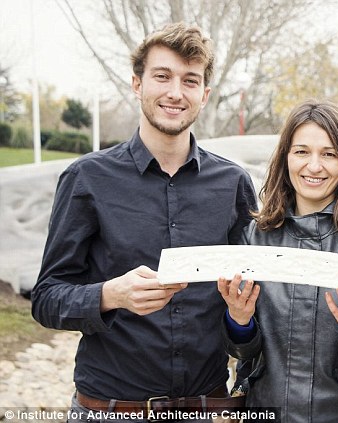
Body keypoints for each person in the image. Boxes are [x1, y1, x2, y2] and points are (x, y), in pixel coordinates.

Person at [31, 22, 257, 422]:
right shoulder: (87, 178)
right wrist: (110, 295)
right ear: (138, 84)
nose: (175, 92)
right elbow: (47, 298)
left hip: (205, 407)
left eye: (190, 80)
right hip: (109, 410)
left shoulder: (234, 184)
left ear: (204, 95)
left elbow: (252, 299)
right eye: (162, 76)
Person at [216, 99, 338, 422]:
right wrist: (239, 320)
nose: (314, 166)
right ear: (285, 157)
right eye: (302, 151)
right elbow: (241, 353)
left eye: (329, 154)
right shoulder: (254, 239)